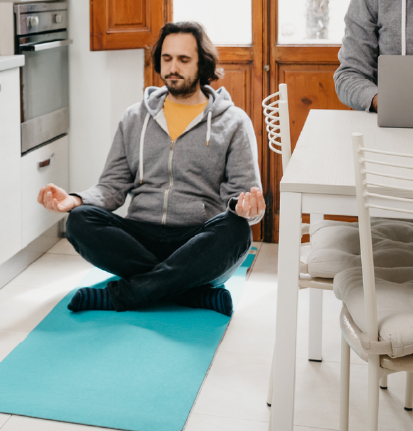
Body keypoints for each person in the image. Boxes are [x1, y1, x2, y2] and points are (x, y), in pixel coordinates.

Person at [37, 22, 264, 317]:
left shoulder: (233, 122)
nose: (173, 67)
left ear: (202, 64)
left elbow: (243, 198)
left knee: (236, 230)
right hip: (139, 237)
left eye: (183, 60)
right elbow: (112, 186)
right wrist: (75, 200)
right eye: (167, 58)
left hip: (198, 242)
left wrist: (248, 209)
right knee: (79, 221)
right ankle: (189, 291)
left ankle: (125, 295)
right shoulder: (135, 117)